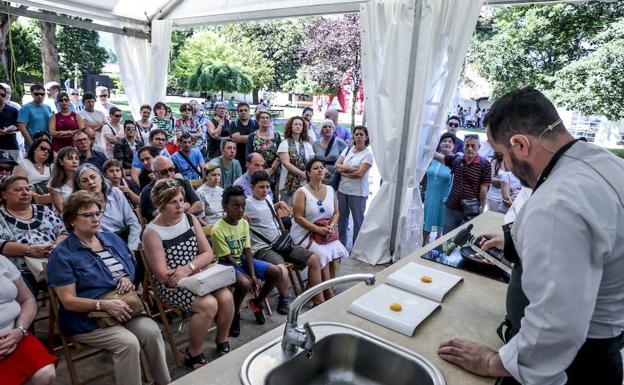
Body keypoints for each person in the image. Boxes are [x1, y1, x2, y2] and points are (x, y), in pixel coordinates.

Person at [438, 87, 624, 385]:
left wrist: (495, 361)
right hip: (601, 354)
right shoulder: (605, 163)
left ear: (520, 144)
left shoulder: (556, 203)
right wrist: (512, 240)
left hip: (570, 365)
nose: (505, 166)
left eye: (502, 155)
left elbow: (556, 323)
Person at [47, 191, 171, 385]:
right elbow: (68, 301)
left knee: (152, 331)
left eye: (98, 213)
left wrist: (126, 278)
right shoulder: (62, 255)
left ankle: (164, 382)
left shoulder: (111, 238)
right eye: (88, 215)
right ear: (71, 219)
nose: (95, 219)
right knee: (127, 343)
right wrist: (102, 305)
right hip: (88, 319)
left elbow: (131, 265)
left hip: (124, 308)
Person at [143, 179, 235, 364]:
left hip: (197, 274)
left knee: (225, 297)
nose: (180, 206)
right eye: (173, 202)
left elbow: (208, 252)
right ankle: (193, 352)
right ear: (161, 205)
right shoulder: (152, 233)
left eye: (181, 200)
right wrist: (190, 270)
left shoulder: (189, 218)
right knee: (208, 304)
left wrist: (189, 268)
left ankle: (221, 339)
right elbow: (163, 276)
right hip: (173, 285)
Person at [246, 170, 327, 307]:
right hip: (263, 248)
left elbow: (267, 213)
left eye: (267, 186)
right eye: (261, 187)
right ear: (252, 187)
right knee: (282, 270)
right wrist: (240, 218)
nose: (265, 190)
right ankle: (284, 299)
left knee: (314, 259)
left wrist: (277, 205)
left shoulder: (268, 198)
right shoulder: (246, 204)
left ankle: (318, 299)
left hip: (281, 242)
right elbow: (231, 216)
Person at [211, 186, 283, 336]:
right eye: (235, 206)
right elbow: (228, 258)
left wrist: (253, 273)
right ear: (225, 207)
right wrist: (249, 277)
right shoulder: (218, 229)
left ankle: (257, 302)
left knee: (276, 272)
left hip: (242, 260)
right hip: (225, 264)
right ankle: (234, 313)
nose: (240, 210)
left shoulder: (243, 223)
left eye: (243, 205)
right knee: (244, 283)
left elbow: (248, 250)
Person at [0, 175, 67, 294]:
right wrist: (29, 250)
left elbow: (63, 231)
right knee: (23, 293)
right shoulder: (1, 216)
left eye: (27, 189)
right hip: (20, 271)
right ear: (4, 195)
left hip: (55, 263)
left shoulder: (43, 210)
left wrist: (56, 246)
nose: (25, 193)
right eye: (18, 190)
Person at [0, 253, 57, 385]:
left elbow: (27, 299)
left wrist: (20, 330)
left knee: (46, 373)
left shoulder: (2, 261)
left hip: (14, 333)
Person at [291, 157, 347, 282]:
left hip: (325, 232)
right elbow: (298, 218)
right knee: (323, 254)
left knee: (337, 249)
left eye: (322, 167)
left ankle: (326, 287)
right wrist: (318, 229)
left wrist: (331, 226)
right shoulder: (301, 192)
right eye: (315, 168)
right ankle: (325, 292)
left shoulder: (330, 190)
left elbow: (336, 213)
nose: (320, 170)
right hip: (304, 233)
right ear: (308, 173)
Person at [73, 163, 141, 252]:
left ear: (101, 178)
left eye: (93, 177)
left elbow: (133, 222)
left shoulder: (115, 193)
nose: (90, 182)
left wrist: (132, 247)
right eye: (84, 181)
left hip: (128, 241)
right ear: (79, 186)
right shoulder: (80, 207)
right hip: (103, 247)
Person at [432, 134, 492, 234]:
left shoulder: (484, 164)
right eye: (467, 145)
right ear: (463, 146)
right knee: (446, 238)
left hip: (470, 211)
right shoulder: (457, 160)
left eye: (473, 146)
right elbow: (439, 157)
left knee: (463, 240)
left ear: (479, 147)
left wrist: (480, 208)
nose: (470, 149)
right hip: (452, 207)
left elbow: (484, 188)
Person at [334, 125, 374, 247]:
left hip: (358, 193)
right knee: (341, 219)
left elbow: (360, 174)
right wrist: (350, 169)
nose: (359, 136)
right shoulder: (347, 149)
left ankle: (357, 247)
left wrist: (344, 171)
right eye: (356, 134)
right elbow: (336, 165)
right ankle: (340, 244)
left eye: (361, 134)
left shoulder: (368, 154)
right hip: (343, 190)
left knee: (358, 221)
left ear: (366, 137)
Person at [140, 156, 203, 223]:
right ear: (155, 173)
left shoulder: (183, 182)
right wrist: (186, 205)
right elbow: (161, 215)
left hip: (189, 224)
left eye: (171, 169)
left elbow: (199, 206)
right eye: (164, 172)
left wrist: (184, 219)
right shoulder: (148, 192)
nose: (169, 174)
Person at [422, 133, 454, 244]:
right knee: (426, 225)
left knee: (441, 227)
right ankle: (422, 245)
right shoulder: (432, 158)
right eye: (445, 141)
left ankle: (438, 246)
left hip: (444, 200)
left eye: (450, 142)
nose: (447, 143)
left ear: (453, 146)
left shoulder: (455, 161)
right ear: (440, 144)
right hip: (429, 198)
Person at [277, 116, 314, 205]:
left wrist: (307, 173)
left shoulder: (307, 145)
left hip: (304, 182)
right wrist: (301, 173)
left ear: (303, 128)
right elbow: (286, 163)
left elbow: (312, 162)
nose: (298, 126)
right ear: (291, 126)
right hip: (287, 183)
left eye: (300, 125)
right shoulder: (284, 144)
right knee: (287, 210)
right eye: (295, 124)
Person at [245, 110, 281, 196]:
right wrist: (261, 171)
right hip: (257, 173)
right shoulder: (252, 137)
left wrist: (271, 170)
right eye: (262, 118)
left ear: (270, 120)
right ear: (258, 120)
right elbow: (249, 156)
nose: (265, 120)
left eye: (267, 118)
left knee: (273, 199)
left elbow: (280, 155)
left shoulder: (276, 136)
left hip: (274, 172)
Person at [312, 119, 348, 185]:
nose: (328, 129)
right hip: (319, 173)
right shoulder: (315, 144)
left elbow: (348, 157)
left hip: (334, 175)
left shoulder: (340, 142)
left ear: (333, 129)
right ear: (321, 130)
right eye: (325, 127)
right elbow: (312, 160)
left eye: (330, 127)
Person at [48, 146, 80, 213]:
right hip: (66, 218)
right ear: (61, 161)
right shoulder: (54, 182)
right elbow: (62, 210)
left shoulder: (82, 178)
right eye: (70, 158)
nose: (74, 161)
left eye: (76, 158)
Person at [229, 102, 258, 172]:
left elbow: (259, 138)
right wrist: (254, 136)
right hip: (238, 157)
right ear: (237, 112)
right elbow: (238, 138)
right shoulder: (234, 124)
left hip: (253, 157)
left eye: (245, 110)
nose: (243, 112)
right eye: (241, 110)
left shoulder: (255, 123)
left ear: (249, 111)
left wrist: (256, 137)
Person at [0, 84, 20, 161]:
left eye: (2, 95)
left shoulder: (13, 110)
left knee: (11, 170)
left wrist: (12, 129)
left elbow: (20, 127)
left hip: (10, 145)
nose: (0, 97)